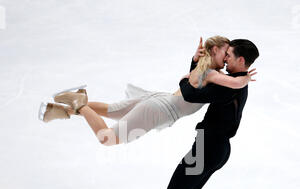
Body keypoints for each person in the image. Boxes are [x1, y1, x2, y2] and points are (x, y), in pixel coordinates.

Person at [39, 36, 256, 146]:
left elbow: (192, 80)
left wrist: (193, 61)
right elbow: (234, 84)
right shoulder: (212, 74)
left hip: (158, 99)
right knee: (107, 138)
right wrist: (244, 77)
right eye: (225, 53)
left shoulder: (201, 67)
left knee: (110, 110)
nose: (227, 58)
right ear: (215, 50)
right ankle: (80, 104)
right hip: (158, 110)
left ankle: (58, 110)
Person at [163, 38, 260, 189]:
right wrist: (195, 63)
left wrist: (184, 78)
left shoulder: (230, 85)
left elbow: (191, 94)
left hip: (208, 147)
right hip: (217, 148)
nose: (224, 58)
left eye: (229, 55)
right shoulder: (236, 82)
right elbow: (200, 84)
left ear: (240, 60)